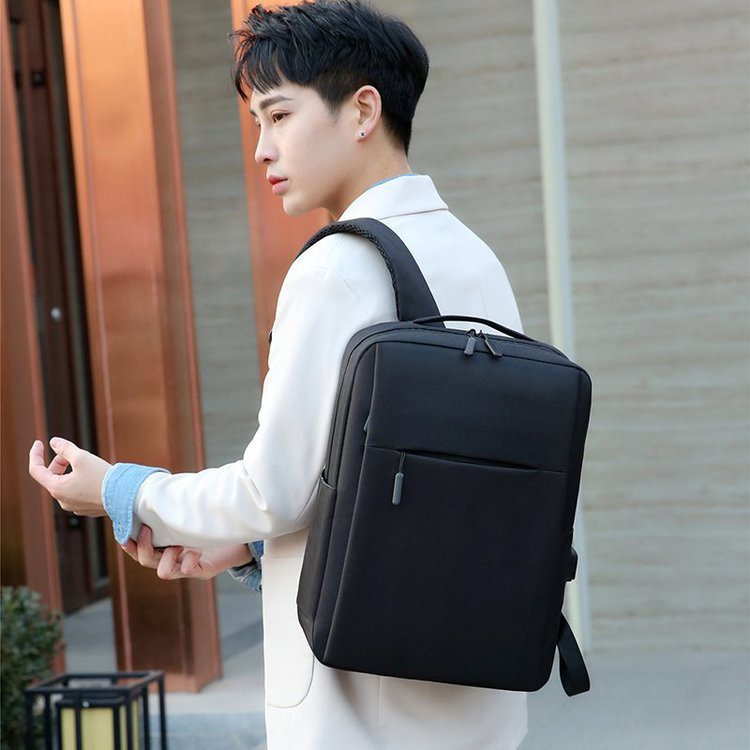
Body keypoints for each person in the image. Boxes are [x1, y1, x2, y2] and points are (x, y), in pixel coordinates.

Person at [29, 2, 528, 747]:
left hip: (362, 712)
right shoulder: (472, 255)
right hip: (473, 693)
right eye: (256, 122)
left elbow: (272, 490)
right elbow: (420, 478)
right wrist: (256, 547)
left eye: (279, 115)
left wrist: (115, 491)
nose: (262, 148)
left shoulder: (338, 267)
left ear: (363, 111)